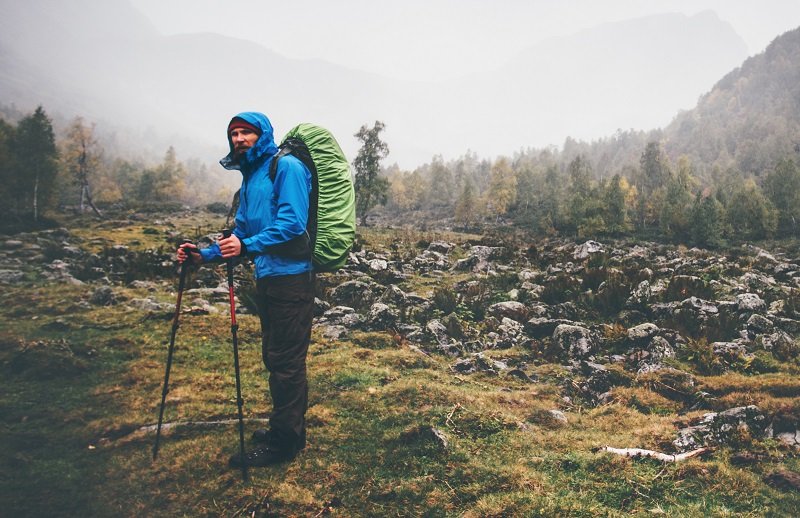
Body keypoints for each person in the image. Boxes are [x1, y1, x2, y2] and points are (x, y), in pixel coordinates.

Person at [178, 112, 315, 468]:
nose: (239, 139)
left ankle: (284, 444)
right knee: (275, 356)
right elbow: (240, 233)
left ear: (262, 134)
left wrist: (248, 246)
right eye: (234, 134)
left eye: (246, 132)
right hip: (267, 276)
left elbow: (292, 224)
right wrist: (203, 255)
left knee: (286, 362)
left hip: (292, 278)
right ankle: (288, 430)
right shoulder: (252, 176)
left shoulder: (287, 167)